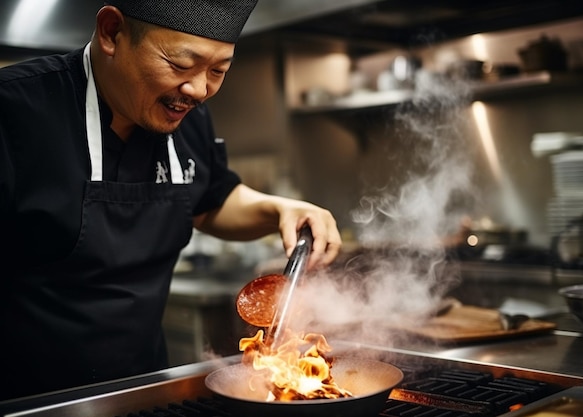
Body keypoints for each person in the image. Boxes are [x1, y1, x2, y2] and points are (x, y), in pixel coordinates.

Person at [0, 0, 342, 401]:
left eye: (218, 71)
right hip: (27, 398)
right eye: (180, 65)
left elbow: (211, 200)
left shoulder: (185, 114)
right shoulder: (14, 112)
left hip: (140, 389)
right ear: (112, 32)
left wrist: (280, 209)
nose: (199, 90)